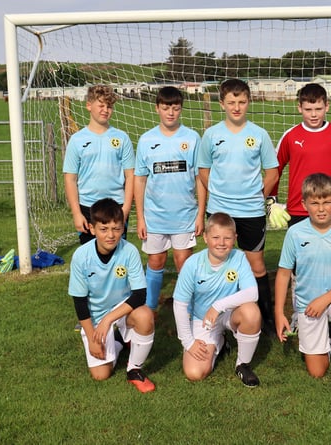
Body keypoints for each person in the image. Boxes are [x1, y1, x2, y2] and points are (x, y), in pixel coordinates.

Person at [198, 78, 279, 337]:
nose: (236, 107)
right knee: (220, 262)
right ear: (222, 103)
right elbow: (203, 170)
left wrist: (256, 197)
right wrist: (220, 194)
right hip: (221, 211)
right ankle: (219, 319)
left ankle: (264, 319)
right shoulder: (211, 135)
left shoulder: (259, 135)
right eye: (231, 102)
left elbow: (273, 172)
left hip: (251, 212)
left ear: (248, 102)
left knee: (256, 265)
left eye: (241, 102)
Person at [274, 173, 331, 397]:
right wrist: (278, 313)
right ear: (304, 204)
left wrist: (325, 299)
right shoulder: (295, 233)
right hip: (308, 305)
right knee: (317, 372)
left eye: (326, 202)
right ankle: (327, 334)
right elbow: (284, 273)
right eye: (315, 203)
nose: (321, 208)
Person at [68, 198, 155, 393]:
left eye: (116, 229)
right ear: (92, 229)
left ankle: (134, 369)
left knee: (145, 316)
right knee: (101, 375)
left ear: (123, 228)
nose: (111, 235)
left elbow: (140, 295)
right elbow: (80, 303)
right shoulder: (81, 256)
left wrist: (108, 320)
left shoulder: (129, 251)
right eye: (104, 229)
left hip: (121, 309)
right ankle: (118, 341)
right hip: (96, 314)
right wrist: (92, 337)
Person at [134, 86, 205, 312]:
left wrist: (200, 214)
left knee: (184, 263)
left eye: (175, 108)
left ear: (181, 109)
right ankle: (150, 309)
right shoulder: (146, 140)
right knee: (156, 262)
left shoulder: (192, 138)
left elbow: (200, 179)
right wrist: (140, 218)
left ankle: (187, 310)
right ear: (157, 109)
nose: (171, 113)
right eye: (166, 108)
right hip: (155, 216)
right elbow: (140, 180)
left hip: (185, 215)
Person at [172, 212, 262, 386]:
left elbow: (252, 293)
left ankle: (243, 365)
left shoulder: (239, 257)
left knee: (251, 312)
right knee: (195, 373)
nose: (221, 243)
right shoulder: (192, 263)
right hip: (202, 318)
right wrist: (189, 342)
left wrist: (218, 306)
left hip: (229, 314)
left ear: (235, 238)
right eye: (215, 237)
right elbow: (180, 305)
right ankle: (219, 341)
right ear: (205, 237)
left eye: (227, 238)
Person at [267, 83, 331, 229]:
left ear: (327, 106)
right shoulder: (290, 136)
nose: (313, 114)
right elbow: (275, 170)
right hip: (298, 209)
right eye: (308, 110)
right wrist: (272, 202)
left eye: (318, 109)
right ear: (299, 108)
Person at [63, 84, 135, 245]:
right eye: (101, 105)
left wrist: (125, 210)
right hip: (88, 207)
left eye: (109, 106)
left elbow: (131, 176)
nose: (105, 110)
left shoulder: (122, 138)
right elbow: (70, 179)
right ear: (89, 105)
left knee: (116, 257)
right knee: (91, 257)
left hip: (117, 206)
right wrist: (76, 213)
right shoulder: (77, 140)